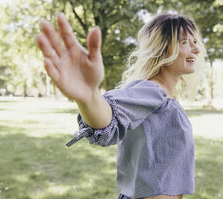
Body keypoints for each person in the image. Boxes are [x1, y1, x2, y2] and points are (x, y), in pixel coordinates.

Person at [36, 12, 205, 199]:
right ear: (163, 49)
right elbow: (109, 117)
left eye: (195, 42)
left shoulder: (166, 96)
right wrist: (88, 96)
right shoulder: (151, 91)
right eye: (184, 42)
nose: (195, 49)